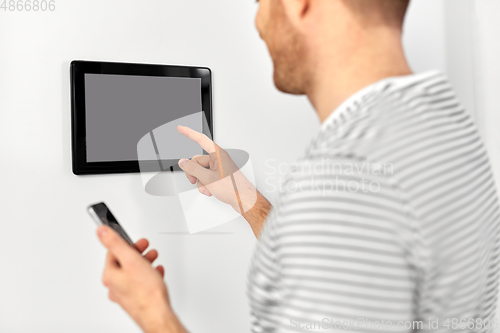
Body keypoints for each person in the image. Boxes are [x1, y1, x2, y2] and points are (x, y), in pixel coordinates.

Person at [96, 0, 500, 332]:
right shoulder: (446, 125)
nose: (257, 22)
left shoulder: (338, 184)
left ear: (301, 4)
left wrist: (153, 313)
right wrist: (246, 198)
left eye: (259, 2)